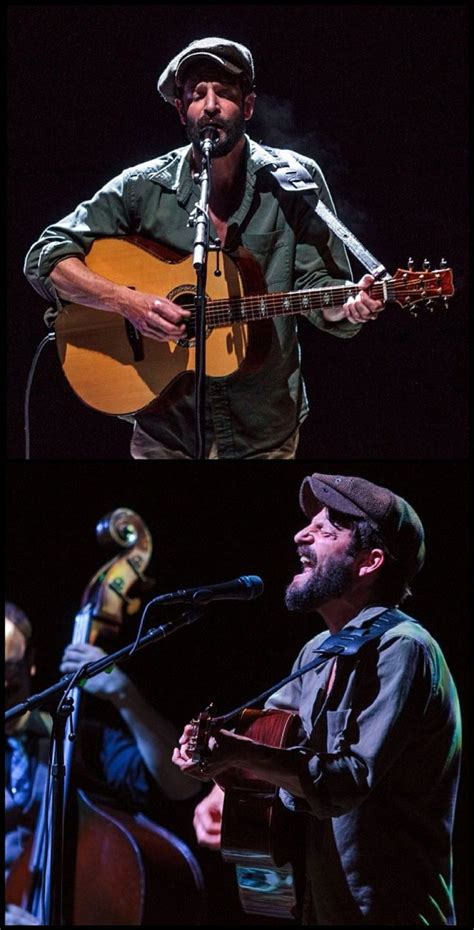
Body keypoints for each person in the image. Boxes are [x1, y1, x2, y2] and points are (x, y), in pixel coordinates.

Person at [23, 37, 385, 460]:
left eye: (225, 93)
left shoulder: (296, 180)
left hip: (262, 430)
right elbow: (45, 255)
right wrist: (126, 303)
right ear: (181, 111)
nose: (211, 105)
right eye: (197, 94)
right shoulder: (143, 186)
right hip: (166, 431)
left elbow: (316, 285)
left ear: (247, 106)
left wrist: (345, 305)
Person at [172, 473, 462, 925]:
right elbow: (270, 734)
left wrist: (235, 752)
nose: (300, 534)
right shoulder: (317, 652)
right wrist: (223, 780)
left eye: (325, 530)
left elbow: (345, 782)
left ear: (369, 562)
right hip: (318, 907)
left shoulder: (404, 648)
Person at [5, 600, 202, 925]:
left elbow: (183, 784)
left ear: (31, 665)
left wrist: (123, 694)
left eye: (9, 670)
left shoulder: (76, 739)